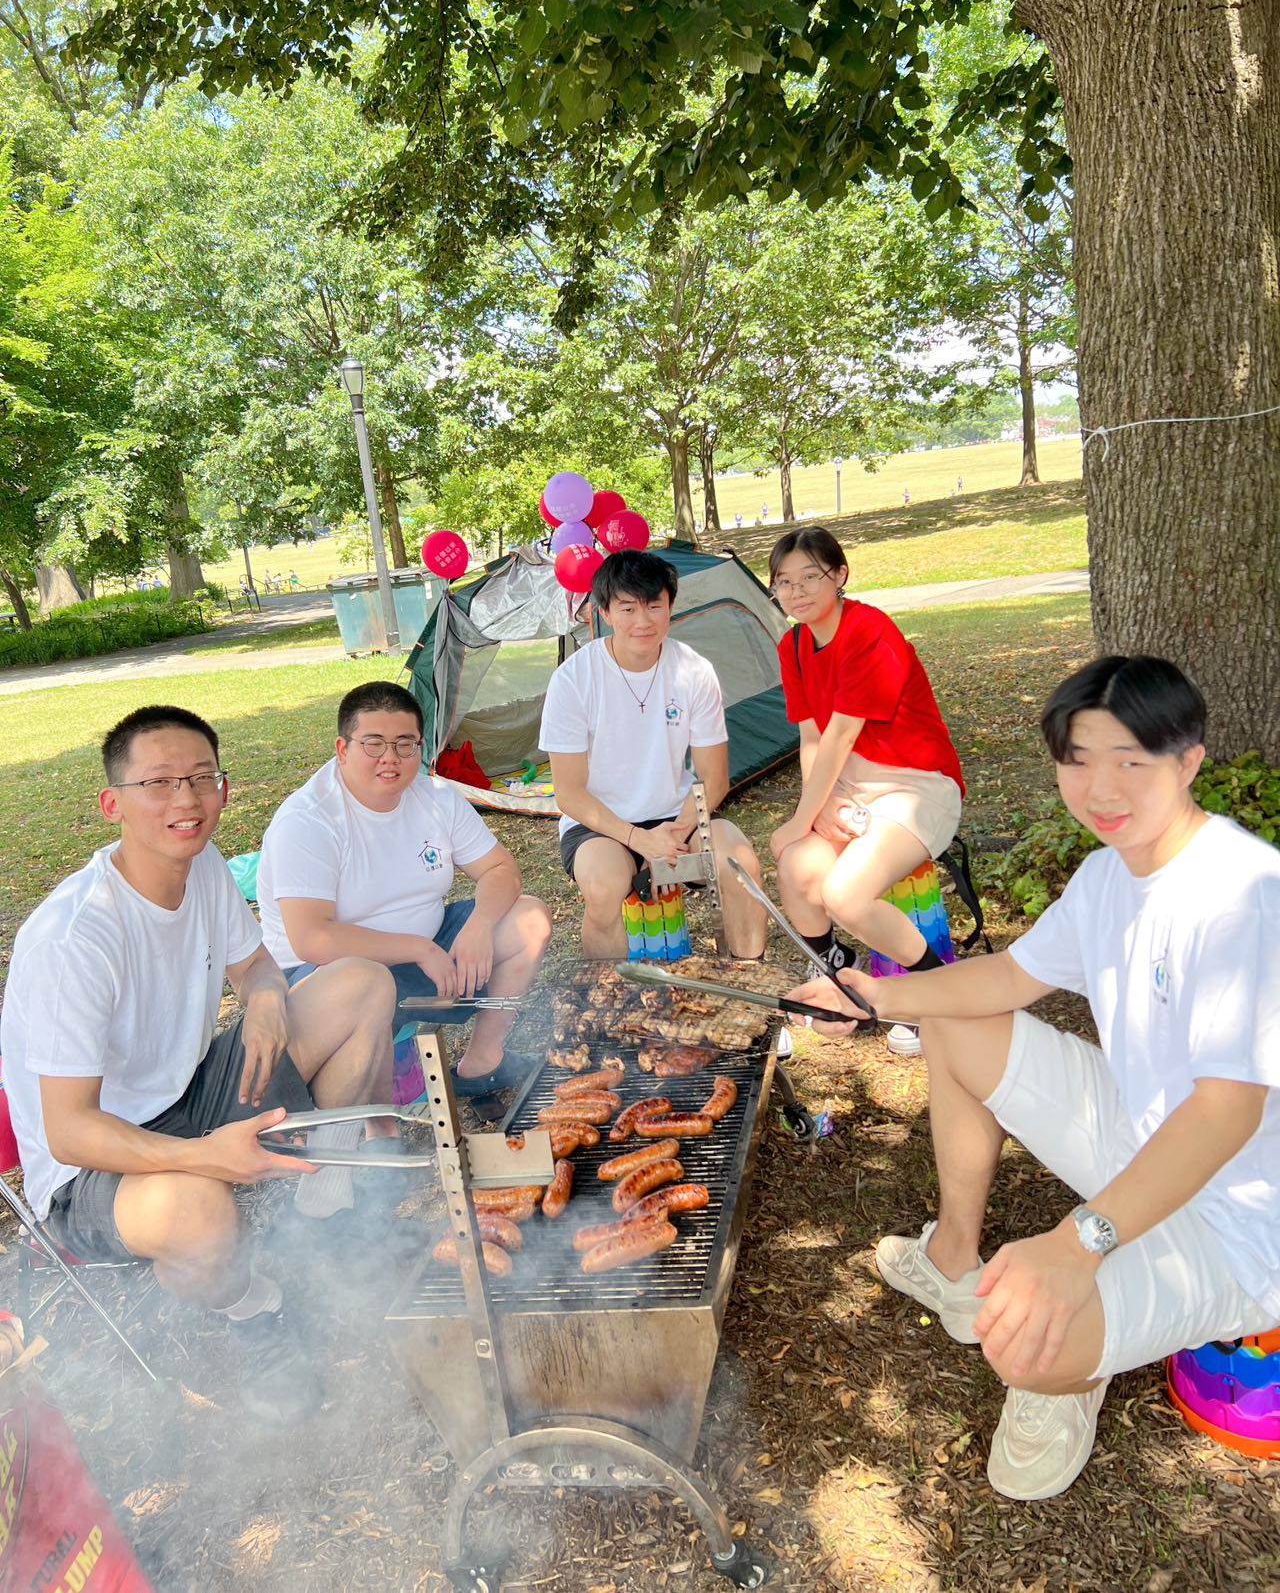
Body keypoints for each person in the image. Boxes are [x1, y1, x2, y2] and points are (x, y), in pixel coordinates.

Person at [788, 656, 1280, 1502]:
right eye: (1079, 758)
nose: (1102, 785)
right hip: (1140, 1139)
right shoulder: (1106, 876)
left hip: (1241, 1225)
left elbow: (1227, 1113)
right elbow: (1009, 976)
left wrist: (1078, 1240)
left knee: (1016, 1337)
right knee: (952, 1017)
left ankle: (1071, 1373)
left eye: (1133, 758)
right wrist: (875, 995)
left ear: (1189, 760)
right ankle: (954, 1257)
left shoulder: (1243, 893)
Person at [0, 705, 399, 1427]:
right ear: (111, 802)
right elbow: (68, 1131)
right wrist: (205, 1158)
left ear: (222, 787)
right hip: (93, 1165)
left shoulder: (205, 865)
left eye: (200, 779)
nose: (184, 800)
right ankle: (256, 1306)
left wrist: (269, 995)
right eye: (159, 782)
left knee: (362, 982)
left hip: (191, 1091)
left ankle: (324, 1211)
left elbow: (253, 964)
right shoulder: (74, 938)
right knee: (198, 1208)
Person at [258, 681, 552, 1098]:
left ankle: (483, 1063)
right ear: (343, 749)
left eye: (405, 744)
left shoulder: (434, 796)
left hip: (426, 952)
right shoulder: (309, 820)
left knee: (529, 918)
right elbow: (312, 940)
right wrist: (420, 950)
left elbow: (501, 868)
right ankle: (379, 1127)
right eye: (374, 744)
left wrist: (480, 925)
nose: (390, 759)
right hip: (327, 980)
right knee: (368, 980)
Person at [768, 526, 965, 1055]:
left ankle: (936, 993)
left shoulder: (869, 632)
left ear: (840, 575)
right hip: (851, 786)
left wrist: (799, 819)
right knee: (797, 868)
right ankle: (837, 970)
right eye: (784, 582)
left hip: (917, 785)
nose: (798, 591)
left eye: (812, 576)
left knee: (844, 893)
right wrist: (823, 804)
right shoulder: (794, 645)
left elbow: (840, 736)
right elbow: (811, 737)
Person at [540, 549, 767, 960]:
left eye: (653, 606)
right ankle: (608, 1001)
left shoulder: (693, 671)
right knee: (606, 887)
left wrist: (672, 838)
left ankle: (748, 980)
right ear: (604, 612)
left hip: (676, 819)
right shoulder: (573, 680)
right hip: (600, 824)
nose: (642, 621)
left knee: (739, 864)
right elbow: (569, 793)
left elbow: (714, 778)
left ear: (670, 607)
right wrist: (639, 842)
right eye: (627, 608)